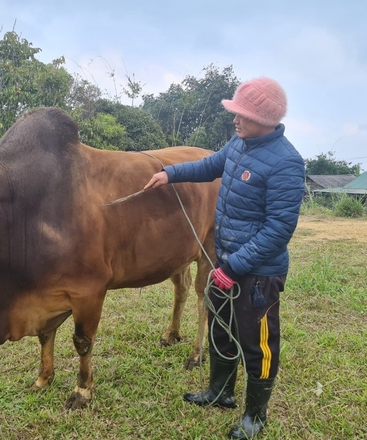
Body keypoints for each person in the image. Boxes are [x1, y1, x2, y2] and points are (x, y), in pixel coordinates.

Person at [144, 77, 305, 439]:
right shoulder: (240, 143)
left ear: (264, 119)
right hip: (226, 262)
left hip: (257, 274)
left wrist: (232, 267)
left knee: (258, 343)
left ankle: (256, 415)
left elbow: (279, 230)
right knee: (222, 329)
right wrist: (169, 173)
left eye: (241, 114)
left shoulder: (286, 163)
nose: (234, 119)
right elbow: (209, 165)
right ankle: (220, 392)